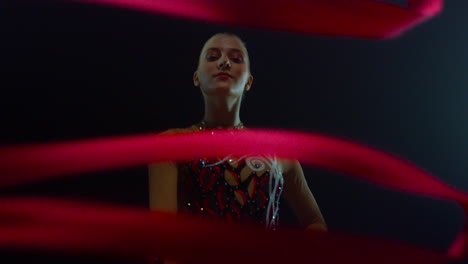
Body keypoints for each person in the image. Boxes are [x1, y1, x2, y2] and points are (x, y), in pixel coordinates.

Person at [148, 32, 327, 262]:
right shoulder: (170, 144)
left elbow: (315, 223)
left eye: (236, 58)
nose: (224, 62)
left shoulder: (278, 151)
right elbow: (163, 242)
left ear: (249, 81)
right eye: (212, 57)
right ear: (196, 77)